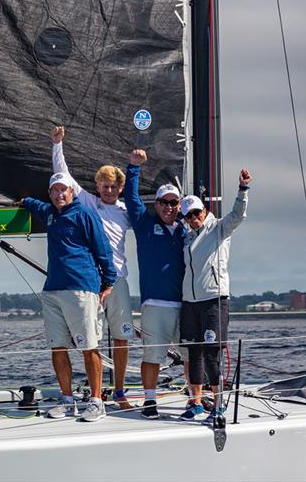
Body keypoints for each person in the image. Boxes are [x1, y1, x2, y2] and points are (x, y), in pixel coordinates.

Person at [18, 172, 118, 422]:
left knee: (89, 346)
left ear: (72, 192)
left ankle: (96, 402)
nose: (59, 194)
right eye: (55, 190)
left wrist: (109, 281)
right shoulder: (51, 214)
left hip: (81, 288)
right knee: (57, 346)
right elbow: (36, 205)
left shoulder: (84, 213)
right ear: (50, 193)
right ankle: (67, 400)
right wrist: (25, 201)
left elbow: (102, 247)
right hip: (52, 289)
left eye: (64, 190)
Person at [50, 126, 135, 410]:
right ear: (97, 187)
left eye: (113, 187)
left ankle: (120, 390)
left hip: (118, 280)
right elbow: (63, 178)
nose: (109, 191)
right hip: (91, 282)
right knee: (92, 339)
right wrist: (57, 144)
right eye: (104, 186)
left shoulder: (126, 212)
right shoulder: (87, 202)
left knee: (121, 337)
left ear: (119, 188)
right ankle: (93, 394)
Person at [178, 169, 252, 424]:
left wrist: (242, 190)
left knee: (211, 354)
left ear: (204, 211)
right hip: (190, 303)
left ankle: (218, 405)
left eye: (196, 213)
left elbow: (238, 215)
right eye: (188, 216)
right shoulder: (187, 238)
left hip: (213, 300)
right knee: (193, 353)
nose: (193, 218)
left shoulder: (219, 228)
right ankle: (196, 403)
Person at [124, 149, 189, 420]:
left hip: (186, 304)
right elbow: (130, 198)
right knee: (153, 356)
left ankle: (195, 399)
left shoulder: (188, 229)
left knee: (190, 355)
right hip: (155, 304)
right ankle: (149, 401)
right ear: (157, 203)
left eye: (174, 203)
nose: (169, 207)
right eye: (164, 202)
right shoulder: (145, 225)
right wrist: (134, 168)